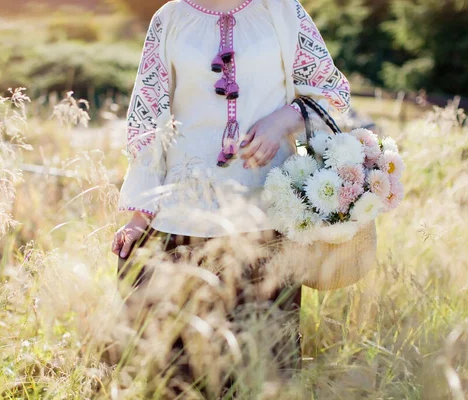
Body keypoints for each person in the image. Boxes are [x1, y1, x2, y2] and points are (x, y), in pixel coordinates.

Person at [111, 0, 351, 391]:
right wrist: (139, 215)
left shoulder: (282, 10)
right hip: (182, 218)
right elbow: (147, 120)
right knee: (178, 373)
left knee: (261, 369)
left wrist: (280, 122)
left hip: (268, 220)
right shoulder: (169, 18)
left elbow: (330, 92)